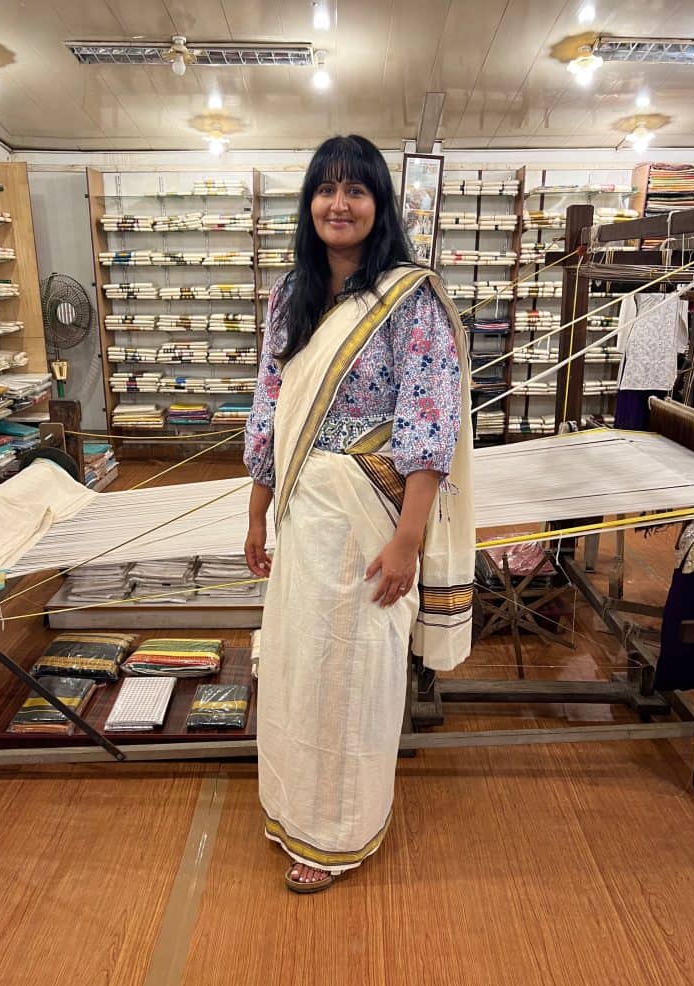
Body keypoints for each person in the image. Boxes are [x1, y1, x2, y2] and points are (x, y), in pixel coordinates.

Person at [243, 135, 476, 894]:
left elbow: (429, 422)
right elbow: (269, 409)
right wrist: (256, 510)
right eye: (325, 190)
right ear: (309, 203)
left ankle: (339, 829)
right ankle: (292, 806)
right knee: (299, 666)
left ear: (380, 206)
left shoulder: (413, 300)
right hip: (303, 512)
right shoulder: (289, 297)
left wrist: (409, 540)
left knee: (354, 676)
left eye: (356, 191)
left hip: (372, 516)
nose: (338, 205)